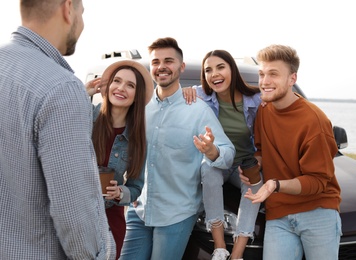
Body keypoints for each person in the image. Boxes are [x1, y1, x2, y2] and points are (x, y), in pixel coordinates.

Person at [0, 0, 115, 259]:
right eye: (82, 13)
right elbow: (74, 213)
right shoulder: (60, 88)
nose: (82, 24)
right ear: (68, 8)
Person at [120, 37, 235, 260]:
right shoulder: (139, 108)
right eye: (156, 62)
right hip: (139, 209)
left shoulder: (198, 110)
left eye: (169, 61)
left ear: (181, 67)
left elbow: (227, 152)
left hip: (177, 214)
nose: (161, 66)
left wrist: (212, 152)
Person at [243, 44, 342, 260]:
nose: (265, 81)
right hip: (278, 214)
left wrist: (275, 184)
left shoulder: (314, 122)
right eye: (262, 74)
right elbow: (260, 149)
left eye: (273, 74)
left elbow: (317, 182)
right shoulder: (263, 109)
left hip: (318, 211)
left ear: (292, 79)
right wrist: (256, 165)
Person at [182, 49, 263, 260]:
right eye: (208, 70)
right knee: (208, 169)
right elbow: (173, 97)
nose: (214, 74)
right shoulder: (200, 95)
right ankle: (220, 247)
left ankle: (237, 253)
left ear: (231, 70)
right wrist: (185, 91)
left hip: (244, 164)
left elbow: (282, 103)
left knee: (255, 183)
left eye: (220, 67)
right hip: (217, 160)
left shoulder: (255, 99)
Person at [86, 59, 154, 259]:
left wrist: (119, 192)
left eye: (130, 85)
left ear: (136, 95)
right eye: (117, 81)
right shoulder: (86, 117)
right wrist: (84, 92)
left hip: (111, 220)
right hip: (79, 214)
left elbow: (136, 187)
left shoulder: (137, 139)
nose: (121, 88)